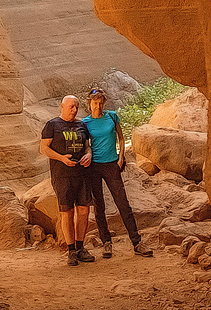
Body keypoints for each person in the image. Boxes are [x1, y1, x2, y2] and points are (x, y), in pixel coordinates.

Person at [82, 87, 154, 257]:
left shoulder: (112, 116)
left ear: (104, 103)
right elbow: (86, 145)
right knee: (99, 206)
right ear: (89, 104)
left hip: (111, 164)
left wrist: (121, 156)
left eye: (100, 103)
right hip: (94, 167)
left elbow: (121, 138)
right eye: (94, 103)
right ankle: (106, 242)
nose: (98, 106)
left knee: (122, 202)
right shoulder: (85, 123)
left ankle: (136, 242)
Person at [38, 95, 95, 265]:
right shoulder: (52, 125)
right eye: (71, 106)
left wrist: (89, 155)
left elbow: (87, 146)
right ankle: (71, 251)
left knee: (84, 211)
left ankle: (80, 247)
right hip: (62, 175)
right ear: (62, 106)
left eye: (76, 107)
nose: (74, 110)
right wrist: (61, 158)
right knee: (67, 212)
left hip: (82, 174)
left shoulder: (82, 125)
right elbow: (43, 148)